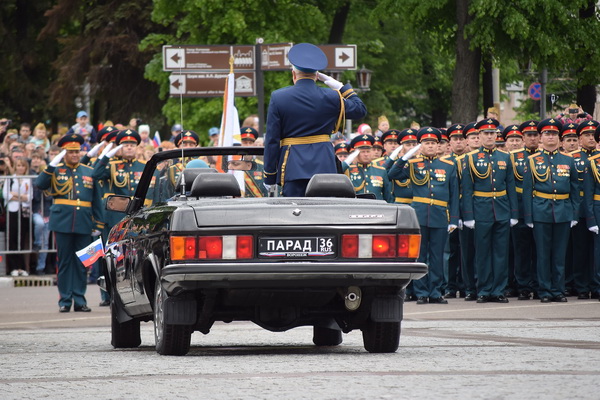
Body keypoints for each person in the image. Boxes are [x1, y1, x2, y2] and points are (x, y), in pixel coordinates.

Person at [263, 43, 367, 197]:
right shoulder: (332, 97)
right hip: (324, 165)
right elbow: (360, 110)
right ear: (317, 76)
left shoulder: (278, 97)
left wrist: (269, 175)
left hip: (292, 167)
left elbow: (272, 140)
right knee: (324, 214)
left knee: (294, 214)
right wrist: (340, 87)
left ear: (294, 74)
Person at [388, 127, 459, 304]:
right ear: (421, 145)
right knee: (420, 256)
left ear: (438, 146)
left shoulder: (448, 166)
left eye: (433, 143)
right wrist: (404, 158)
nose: (430, 146)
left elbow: (454, 194)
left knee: (437, 256)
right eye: (426, 143)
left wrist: (454, 219)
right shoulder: (413, 164)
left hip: (440, 215)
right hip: (419, 215)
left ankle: (435, 291)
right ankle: (421, 292)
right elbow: (392, 174)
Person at [35, 134, 103, 312]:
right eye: (70, 152)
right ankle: (65, 300)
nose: (74, 155)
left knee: (83, 262)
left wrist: (99, 223)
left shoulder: (88, 171)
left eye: (77, 151)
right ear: (64, 153)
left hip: (84, 222)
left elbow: (96, 200)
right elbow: (40, 184)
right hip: (62, 221)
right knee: (64, 262)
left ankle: (80, 300)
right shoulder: (56, 170)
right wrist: (51, 166)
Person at [523, 118, 580, 303]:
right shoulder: (532, 161)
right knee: (543, 253)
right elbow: (527, 190)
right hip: (541, 210)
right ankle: (545, 290)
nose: (551, 137)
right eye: (547, 134)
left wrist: (574, 213)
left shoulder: (568, 160)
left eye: (554, 134)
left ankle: (558, 289)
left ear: (559, 137)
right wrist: (529, 216)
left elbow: (574, 190)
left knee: (559, 254)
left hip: (563, 210)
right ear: (541, 137)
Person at [461, 118, 518, 304]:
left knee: (501, 253)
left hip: (501, 209)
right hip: (481, 209)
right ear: (479, 136)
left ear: (496, 135)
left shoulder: (505, 157)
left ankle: (499, 290)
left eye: (492, 133)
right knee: (483, 253)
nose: (489, 136)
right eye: (486, 133)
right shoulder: (470, 158)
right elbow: (467, 189)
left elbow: (511, 186)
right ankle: (484, 289)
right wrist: (468, 216)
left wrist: (513, 213)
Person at [509, 120, 540, 300]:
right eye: (529, 135)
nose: (533, 138)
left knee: (539, 249)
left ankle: (537, 283)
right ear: (523, 138)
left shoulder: (546, 156)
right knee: (521, 249)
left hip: (541, 206)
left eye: (536, 135)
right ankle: (522, 285)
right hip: (520, 207)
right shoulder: (513, 157)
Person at [569, 120, 599, 299]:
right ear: (580, 138)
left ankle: (595, 284)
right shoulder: (572, 158)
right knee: (580, 248)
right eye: (586, 135)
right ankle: (580, 285)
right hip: (579, 207)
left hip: (595, 207)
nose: (590, 138)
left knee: (595, 249)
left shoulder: (598, 157)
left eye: (592, 135)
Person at [3, 157, 33, 276]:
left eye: (22, 166)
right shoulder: (10, 179)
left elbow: (29, 197)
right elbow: (6, 195)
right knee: (12, 238)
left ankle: (22, 267)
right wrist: (20, 196)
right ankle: (13, 267)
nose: (20, 168)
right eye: (18, 166)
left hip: (24, 211)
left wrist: (16, 195)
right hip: (12, 210)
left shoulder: (28, 179)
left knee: (22, 239)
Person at [343, 134, 393, 202]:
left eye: (368, 151)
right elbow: (336, 171)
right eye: (362, 152)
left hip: (377, 209)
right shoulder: (348, 170)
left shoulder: (381, 171)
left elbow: (388, 197)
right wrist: (350, 159)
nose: (366, 154)